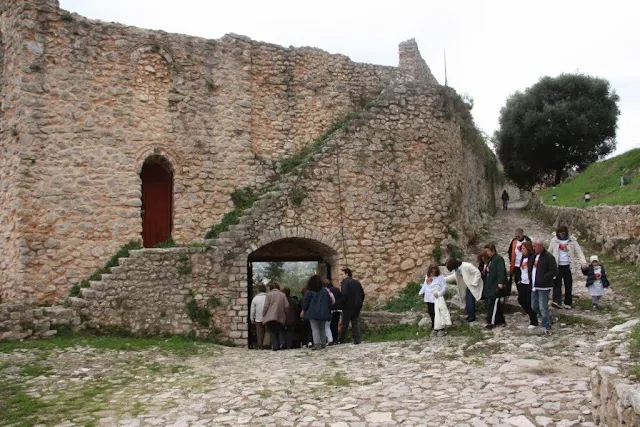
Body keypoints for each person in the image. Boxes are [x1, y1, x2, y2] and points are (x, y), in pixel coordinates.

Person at [548, 225, 587, 309]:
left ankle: (568, 302)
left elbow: (579, 252)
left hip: (568, 266)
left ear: (566, 232)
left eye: (563, 233)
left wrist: (583, 262)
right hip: (557, 266)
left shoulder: (572, 240)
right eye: (559, 233)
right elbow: (549, 252)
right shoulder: (554, 240)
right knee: (557, 284)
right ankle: (557, 301)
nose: (561, 235)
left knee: (568, 284)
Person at [529, 239, 558, 335]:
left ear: (540, 246)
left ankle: (545, 326)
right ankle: (549, 317)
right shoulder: (534, 256)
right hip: (535, 285)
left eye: (535, 246)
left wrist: (543, 278)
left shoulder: (549, 257)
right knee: (534, 306)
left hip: (544, 286)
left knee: (543, 307)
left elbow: (554, 271)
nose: (533, 248)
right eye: (533, 246)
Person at [445, 258, 483, 323]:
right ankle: (470, 315)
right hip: (468, 287)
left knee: (470, 301)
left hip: (473, 285)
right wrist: (442, 279)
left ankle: (472, 317)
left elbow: (477, 272)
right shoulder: (458, 269)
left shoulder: (467, 265)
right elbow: (453, 277)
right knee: (467, 301)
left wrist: (474, 283)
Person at [300, 275, 334, 350]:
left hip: (312, 312)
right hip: (324, 312)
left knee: (315, 328)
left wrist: (303, 310)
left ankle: (317, 344)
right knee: (322, 328)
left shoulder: (309, 291)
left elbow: (305, 302)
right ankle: (323, 343)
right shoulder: (325, 291)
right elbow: (330, 301)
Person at [419, 265, 450, 335]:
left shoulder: (440, 277)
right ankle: (434, 327)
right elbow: (425, 285)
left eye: (434, 271)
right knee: (431, 313)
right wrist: (421, 292)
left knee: (438, 313)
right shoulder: (427, 276)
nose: (433, 272)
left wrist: (439, 293)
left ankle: (441, 328)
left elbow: (445, 287)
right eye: (432, 271)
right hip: (428, 298)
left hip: (436, 298)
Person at [483, 243, 508, 329]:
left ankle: (492, 321)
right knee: (495, 303)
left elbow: (501, 271)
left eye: (488, 251)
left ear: (493, 250)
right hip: (490, 284)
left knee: (494, 303)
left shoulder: (499, 259)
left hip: (496, 285)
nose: (487, 253)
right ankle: (500, 320)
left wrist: (500, 282)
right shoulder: (491, 259)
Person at [338, 268, 365, 345]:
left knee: (345, 323)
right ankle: (357, 339)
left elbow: (344, 294)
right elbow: (362, 294)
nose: (341, 276)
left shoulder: (345, 282)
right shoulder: (357, 282)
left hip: (348, 305)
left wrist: (341, 304)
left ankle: (342, 339)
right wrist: (360, 302)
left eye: (342, 274)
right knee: (355, 322)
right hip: (357, 305)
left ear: (347, 274)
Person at [262, 283, 289, 351]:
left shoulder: (268, 295)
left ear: (271, 288)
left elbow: (266, 306)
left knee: (272, 331)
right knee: (278, 330)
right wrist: (285, 313)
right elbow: (286, 306)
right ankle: (279, 345)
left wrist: (263, 314)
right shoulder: (283, 295)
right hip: (280, 316)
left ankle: (274, 345)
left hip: (270, 316)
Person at [517, 241, 538, 329]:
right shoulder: (523, 258)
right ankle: (532, 315)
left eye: (523, 248)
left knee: (529, 301)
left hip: (529, 282)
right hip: (523, 282)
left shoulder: (532, 257)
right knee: (521, 300)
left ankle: (534, 320)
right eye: (521, 249)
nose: (522, 250)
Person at [250, 284, 267, 349]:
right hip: (267, 318)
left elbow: (252, 310)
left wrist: (252, 319)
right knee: (267, 332)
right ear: (265, 289)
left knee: (259, 334)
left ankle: (260, 346)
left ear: (259, 290)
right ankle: (266, 345)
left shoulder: (255, 298)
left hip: (258, 318)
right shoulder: (268, 297)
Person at [325, 279, 343, 344]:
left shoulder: (327, 291)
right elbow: (341, 298)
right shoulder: (337, 289)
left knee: (330, 325)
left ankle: (331, 339)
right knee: (335, 324)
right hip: (338, 309)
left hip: (331, 309)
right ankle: (335, 339)